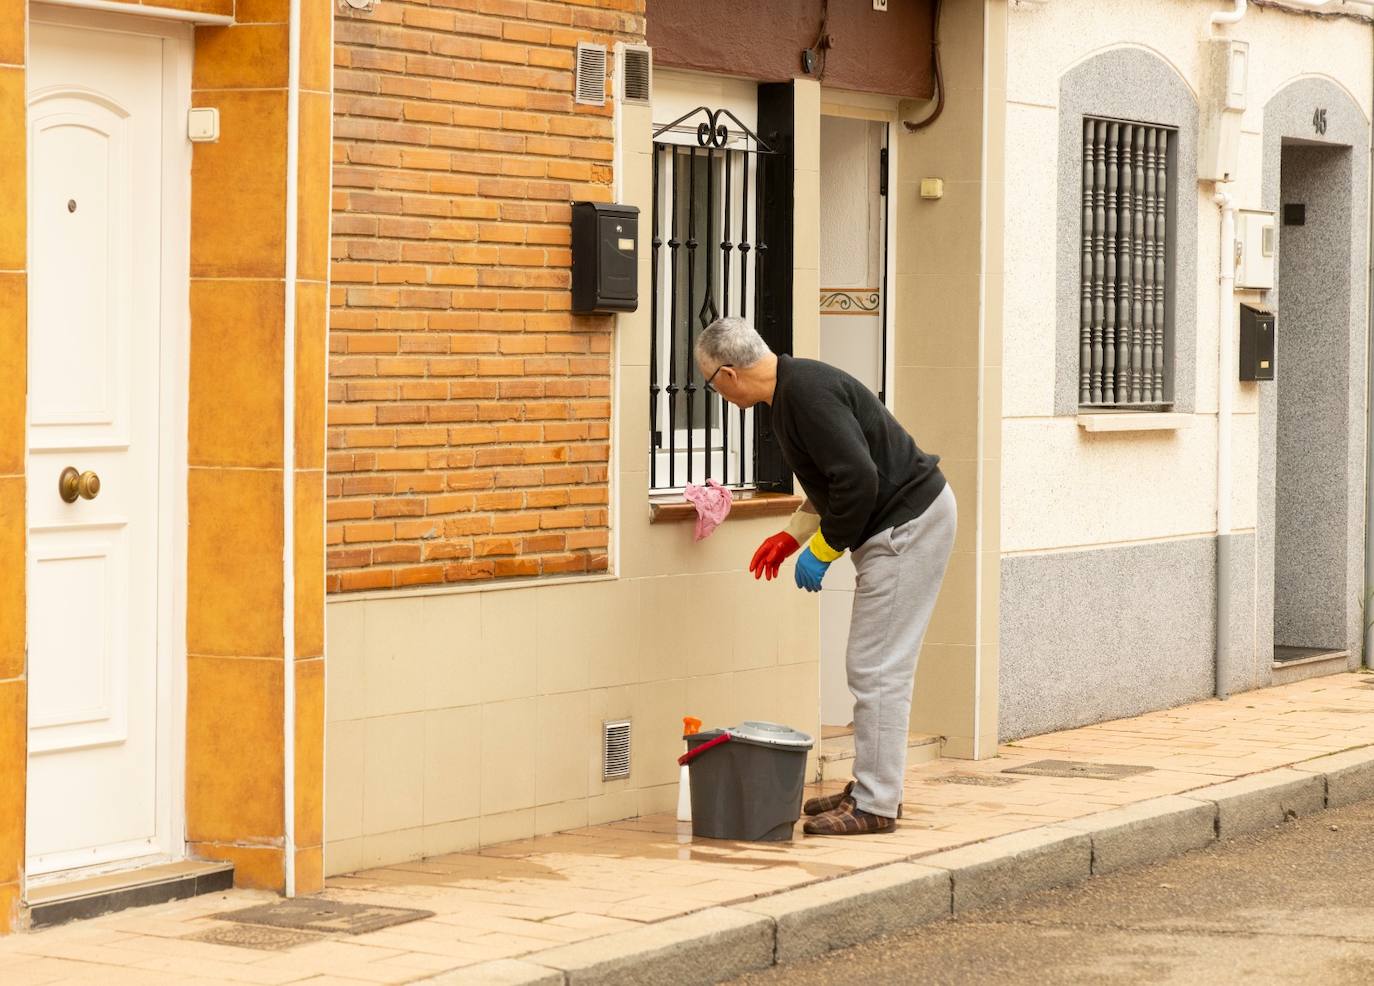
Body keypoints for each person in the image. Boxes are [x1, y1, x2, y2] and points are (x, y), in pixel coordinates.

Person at [695, 317, 956, 836]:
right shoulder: (792, 394)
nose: (716, 393)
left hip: (907, 524)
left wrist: (823, 548)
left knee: (877, 666)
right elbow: (834, 478)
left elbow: (858, 480)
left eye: (710, 384)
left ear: (726, 375)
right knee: (874, 664)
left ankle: (877, 804)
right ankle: (870, 787)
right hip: (904, 520)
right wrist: (793, 535)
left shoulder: (806, 396)